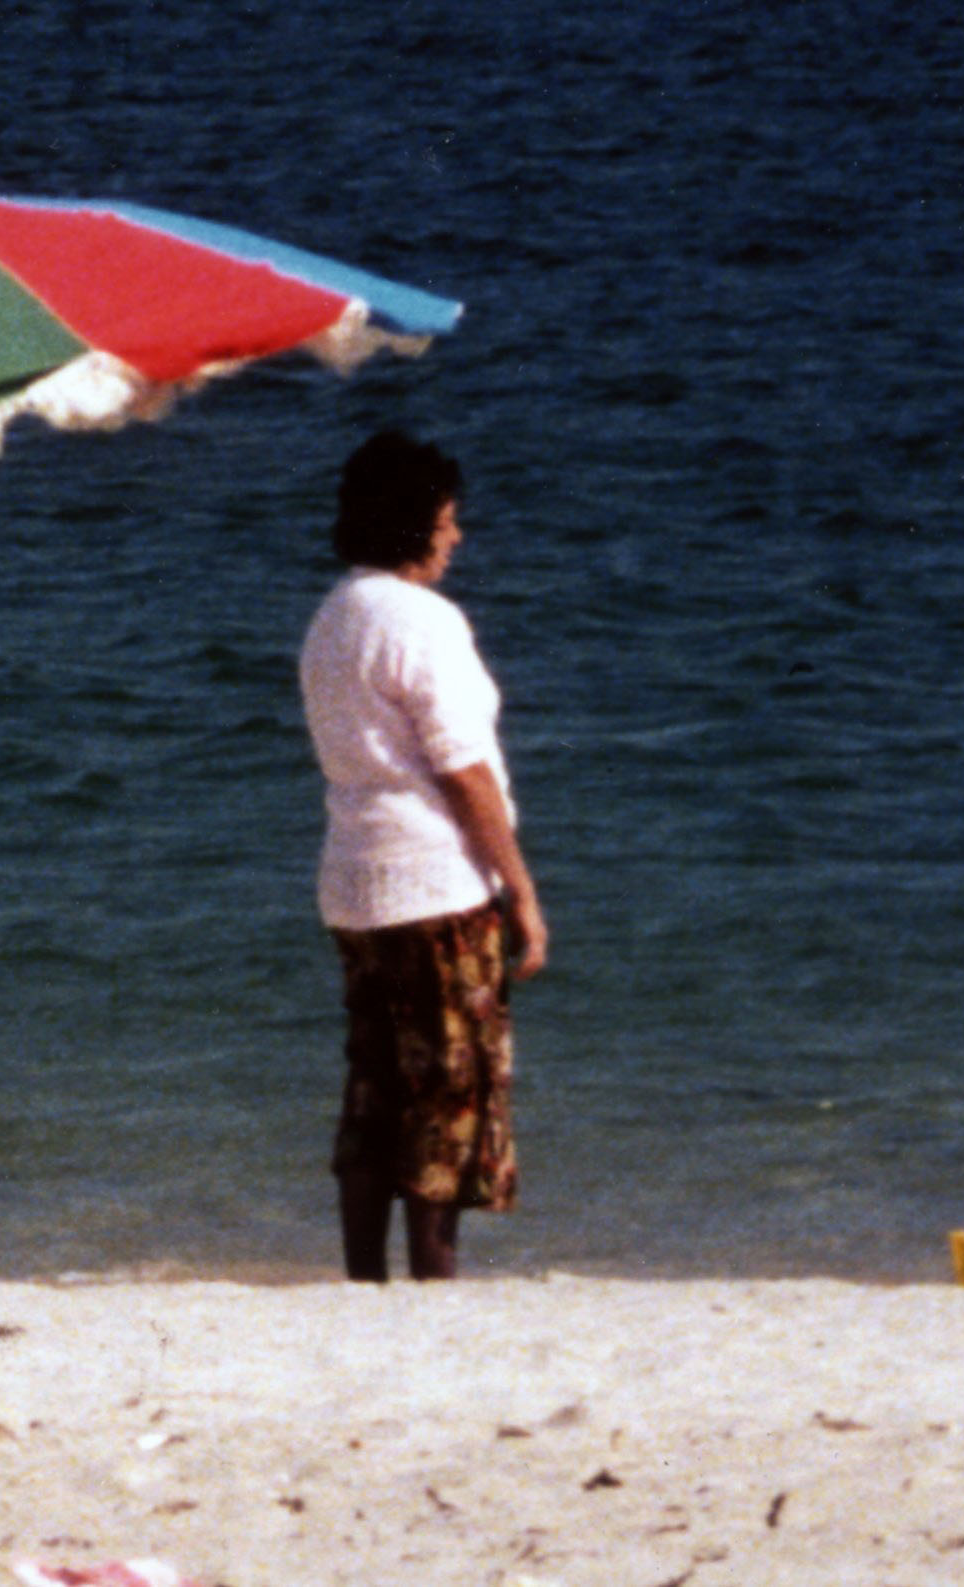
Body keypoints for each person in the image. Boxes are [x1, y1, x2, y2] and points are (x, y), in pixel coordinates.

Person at [299, 430, 547, 1283]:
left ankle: (364, 1275)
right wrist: (520, 888)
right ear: (415, 524)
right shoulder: (421, 620)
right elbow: (463, 770)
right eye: (447, 520)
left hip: (356, 883)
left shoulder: (334, 615)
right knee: (449, 1085)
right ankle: (435, 1275)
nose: (456, 536)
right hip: (435, 879)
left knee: (376, 1082)